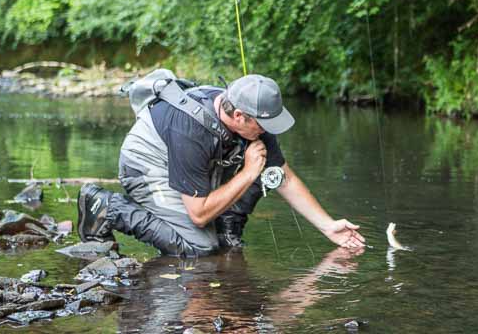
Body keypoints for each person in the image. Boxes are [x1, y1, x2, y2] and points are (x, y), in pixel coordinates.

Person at [76, 73, 365, 257]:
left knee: (259, 168)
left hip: (194, 165)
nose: (268, 131)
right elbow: (199, 214)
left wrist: (329, 227)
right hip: (147, 165)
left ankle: (228, 230)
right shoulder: (191, 129)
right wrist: (250, 171)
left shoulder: (254, 124)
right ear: (239, 115)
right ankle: (105, 207)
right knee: (198, 247)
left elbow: (282, 177)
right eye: (264, 124)